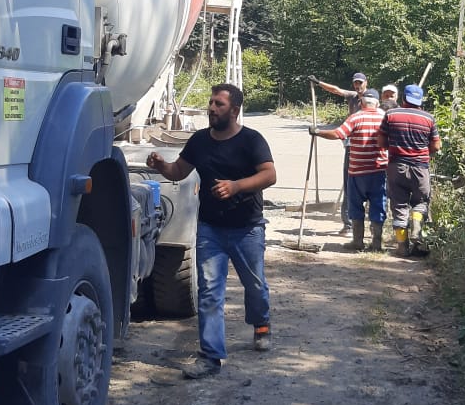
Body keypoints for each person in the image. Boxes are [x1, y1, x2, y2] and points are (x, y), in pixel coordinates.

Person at [146, 84, 277, 379]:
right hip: (210, 229)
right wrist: (160, 165)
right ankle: (211, 356)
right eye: (210, 102)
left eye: (218, 104)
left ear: (234, 110)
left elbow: (270, 174)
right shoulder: (200, 141)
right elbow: (178, 171)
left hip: (247, 228)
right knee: (209, 293)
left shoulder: (251, 140)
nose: (211, 108)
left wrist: (236, 186)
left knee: (255, 286)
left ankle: (262, 324)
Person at [312, 88, 389, 252]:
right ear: (377, 103)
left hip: (357, 172)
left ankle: (358, 241)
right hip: (379, 171)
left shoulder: (355, 117)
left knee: (355, 206)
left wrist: (318, 132)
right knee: (378, 205)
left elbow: (338, 134)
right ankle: (376, 243)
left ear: (361, 102)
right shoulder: (385, 117)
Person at [378, 83, 442, 258]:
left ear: (404, 99)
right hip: (420, 167)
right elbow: (436, 145)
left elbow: (381, 142)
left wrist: (394, 146)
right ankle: (416, 229)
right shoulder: (429, 118)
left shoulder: (391, 115)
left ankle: (402, 247)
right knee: (421, 202)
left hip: (396, 166)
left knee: (399, 206)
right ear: (420, 100)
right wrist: (423, 152)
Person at [309, 72, 367, 230]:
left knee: (367, 185)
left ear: (366, 83)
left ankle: (371, 225)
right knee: (349, 183)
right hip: (351, 144)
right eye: (356, 83)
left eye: (360, 83)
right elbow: (336, 90)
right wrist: (319, 83)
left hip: (368, 146)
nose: (358, 86)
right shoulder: (352, 96)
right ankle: (348, 224)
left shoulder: (372, 99)